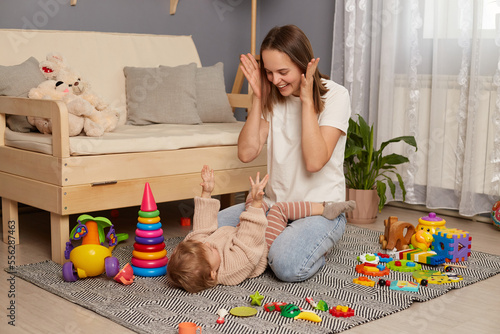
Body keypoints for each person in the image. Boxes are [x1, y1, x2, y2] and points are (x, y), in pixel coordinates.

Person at [217, 25, 352, 282]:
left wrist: (307, 101)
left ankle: (302, 246)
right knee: (213, 226)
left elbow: (314, 162)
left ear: (303, 65)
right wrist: (258, 97)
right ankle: (280, 239)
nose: (275, 80)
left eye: (282, 72)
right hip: (272, 208)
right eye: (268, 72)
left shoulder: (336, 95)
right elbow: (247, 152)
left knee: (286, 265)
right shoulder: (274, 94)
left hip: (318, 210)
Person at [166, 165, 269, 293]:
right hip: (260, 242)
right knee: (276, 211)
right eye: (210, 249)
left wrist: (206, 193)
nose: (208, 243)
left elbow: (201, 230)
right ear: (212, 274)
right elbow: (249, 238)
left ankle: (258, 203)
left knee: (247, 204)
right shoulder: (233, 266)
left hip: (235, 235)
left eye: (204, 245)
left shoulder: (203, 251)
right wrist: (256, 204)